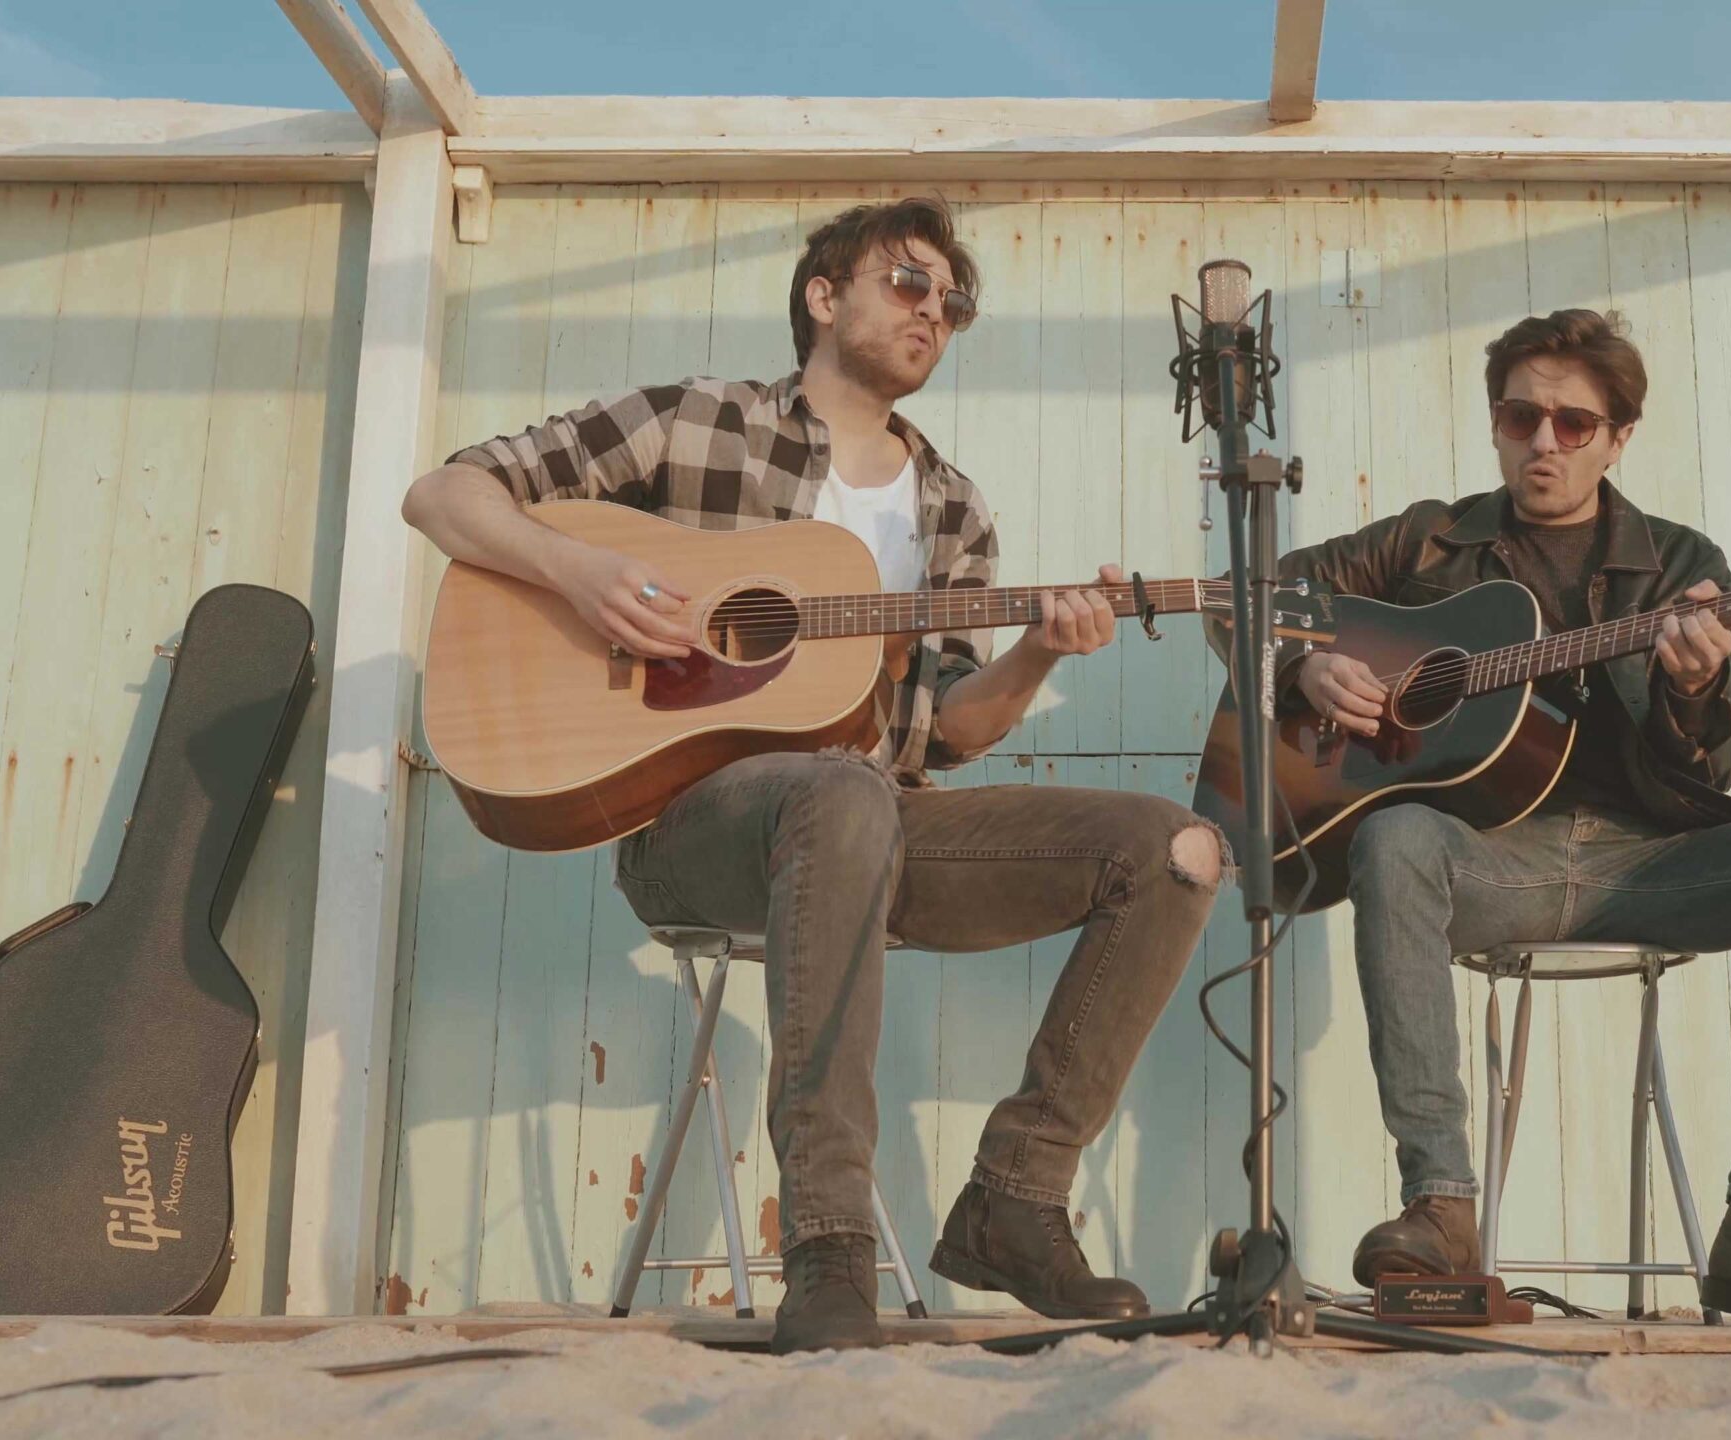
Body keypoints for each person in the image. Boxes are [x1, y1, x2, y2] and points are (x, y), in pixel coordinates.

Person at [401, 197, 1225, 1352]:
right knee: (836, 795)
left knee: (1174, 849)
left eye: (953, 300)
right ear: (823, 296)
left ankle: (1016, 1198)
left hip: (880, 822)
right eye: (909, 282)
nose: (934, 310)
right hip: (694, 831)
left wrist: (1040, 648)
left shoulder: (951, 509)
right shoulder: (694, 421)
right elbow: (444, 494)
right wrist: (580, 572)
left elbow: (951, 732)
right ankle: (829, 1245)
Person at [1272, 308, 1731, 1333]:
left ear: (1619, 436)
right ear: (1496, 422)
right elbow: (1253, 593)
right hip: (1487, 862)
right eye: (1521, 418)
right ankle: (1440, 1209)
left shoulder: (1678, 562)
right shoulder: (1426, 542)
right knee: (1392, 837)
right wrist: (1302, 665)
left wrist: (1691, 687)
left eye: (1572, 422)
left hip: (1649, 863)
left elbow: (1708, 768)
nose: (1543, 443)